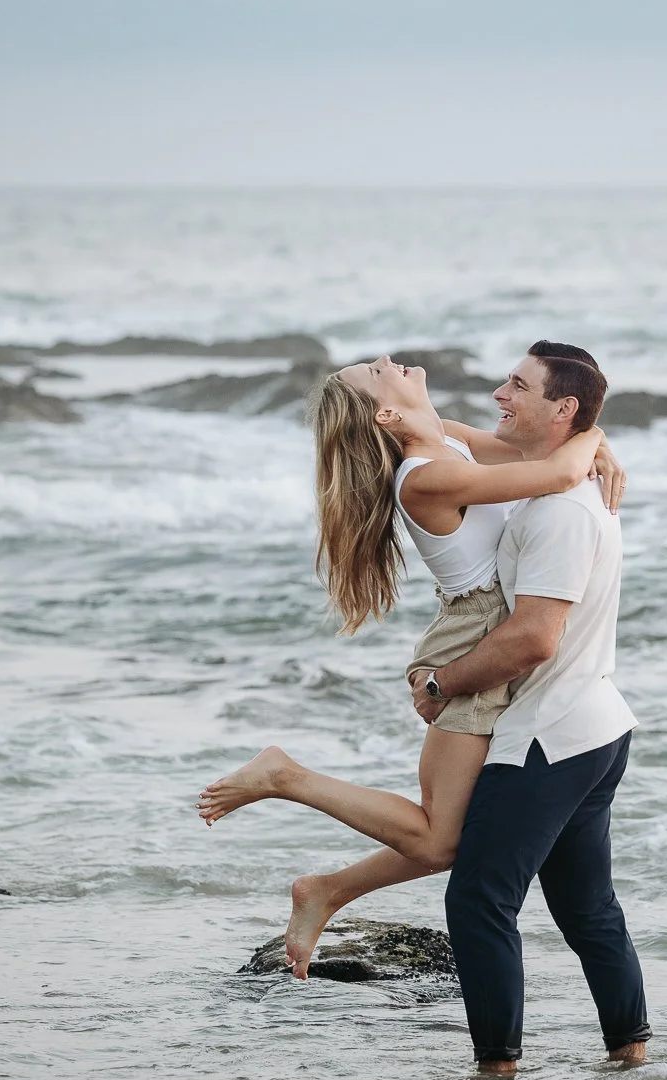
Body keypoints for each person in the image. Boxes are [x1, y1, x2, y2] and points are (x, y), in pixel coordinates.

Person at [196, 348, 625, 977]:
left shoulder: (450, 447)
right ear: (387, 413)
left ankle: (329, 889)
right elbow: (559, 475)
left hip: (484, 636)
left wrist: (590, 431)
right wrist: (592, 436)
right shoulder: (425, 477)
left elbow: (540, 452)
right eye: (375, 372)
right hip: (471, 644)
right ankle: (285, 779)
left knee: (449, 836)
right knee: (438, 838)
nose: (389, 361)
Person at [411, 343, 649, 1075]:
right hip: (596, 723)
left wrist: (440, 683)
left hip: (550, 734)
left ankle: (496, 1074)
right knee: (586, 908)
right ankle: (630, 1053)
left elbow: (533, 637)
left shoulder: (561, 514)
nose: (498, 393)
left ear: (562, 409)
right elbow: (452, 434)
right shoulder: (543, 483)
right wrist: (595, 441)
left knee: (479, 900)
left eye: (518, 384)